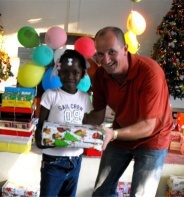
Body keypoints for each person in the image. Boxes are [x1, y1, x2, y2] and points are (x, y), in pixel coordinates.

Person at [83, 26, 173, 197]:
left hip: (153, 138)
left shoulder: (150, 72)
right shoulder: (101, 76)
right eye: (100, 54)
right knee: (101, 192)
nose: (106, 60)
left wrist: (114, 134)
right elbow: (98, 115)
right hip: (121, 133)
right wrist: (72, 123)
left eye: (112, 52)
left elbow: (148, 126)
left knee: (140, 194)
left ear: (125, 49)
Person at [35, 49, 93, 197]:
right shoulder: (51, 95)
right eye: (65, 71)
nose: (70, 76)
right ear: (58, 72)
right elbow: (41, 125)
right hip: (53, 160)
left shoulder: (84, 98)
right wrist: (43, 141)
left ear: (82, 74)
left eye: (75, 72)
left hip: (75, 159)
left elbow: (85, 127)